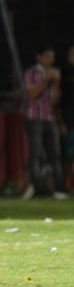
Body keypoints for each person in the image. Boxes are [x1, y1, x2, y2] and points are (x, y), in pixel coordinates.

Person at [21, 44, 67, 199]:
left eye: (52, 57)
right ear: (39, 57)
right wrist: (46, 80)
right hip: (34, 117)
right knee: (36, 153)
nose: (50, 60)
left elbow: (53, 101)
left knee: (56, 153)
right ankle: (40, 188)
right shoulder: (31, 73)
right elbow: (32, 95)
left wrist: (57, 83)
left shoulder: (53, 74)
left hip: (49, 116)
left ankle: (59, 188)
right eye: (47, 56)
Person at [59, 45, 74, 192]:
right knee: (69, 155)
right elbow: (59, 102)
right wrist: (61, 122)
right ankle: (66, 185)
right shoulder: (64, 75)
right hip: (70, 121)